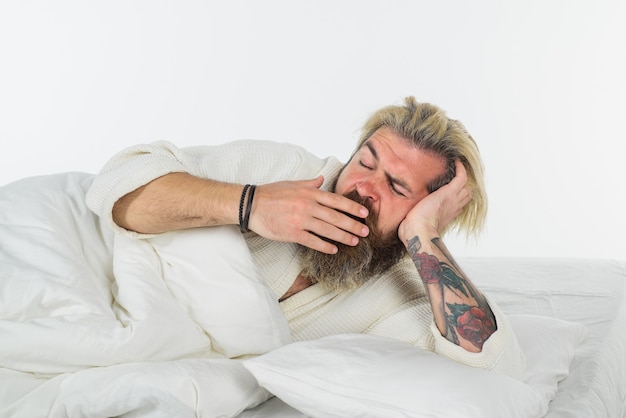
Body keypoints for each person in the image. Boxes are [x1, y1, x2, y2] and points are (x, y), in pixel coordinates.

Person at [86, 96, 525, 378]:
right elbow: (118, 186)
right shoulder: (289, 172)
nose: (363, 187)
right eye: (365, 162)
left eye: (396, 188)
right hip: (92, 283)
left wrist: (423, 234)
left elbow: (494, 370)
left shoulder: (404, 289)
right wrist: (250, 205)